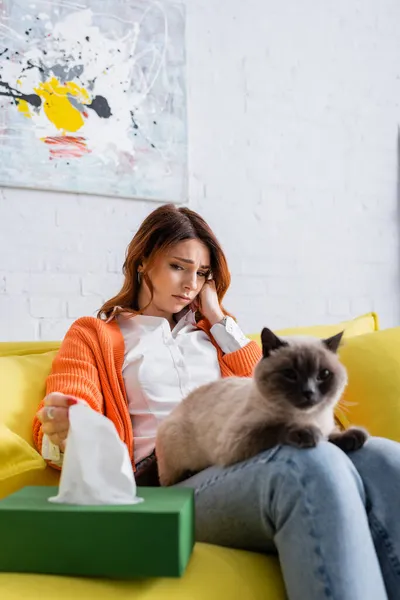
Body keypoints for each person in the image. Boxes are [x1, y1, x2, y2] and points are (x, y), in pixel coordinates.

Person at [34, 204, 399, 600]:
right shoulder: (96, 334)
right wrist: (68, 425)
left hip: (244, 458)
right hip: (164, 486)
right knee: (312, 464)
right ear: (143, 262)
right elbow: (70, 403)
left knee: (383, 457)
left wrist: (220, 319)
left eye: (202, 273)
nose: (191, 283)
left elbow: (268, 402)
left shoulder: (218, 335)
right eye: (178, 266)